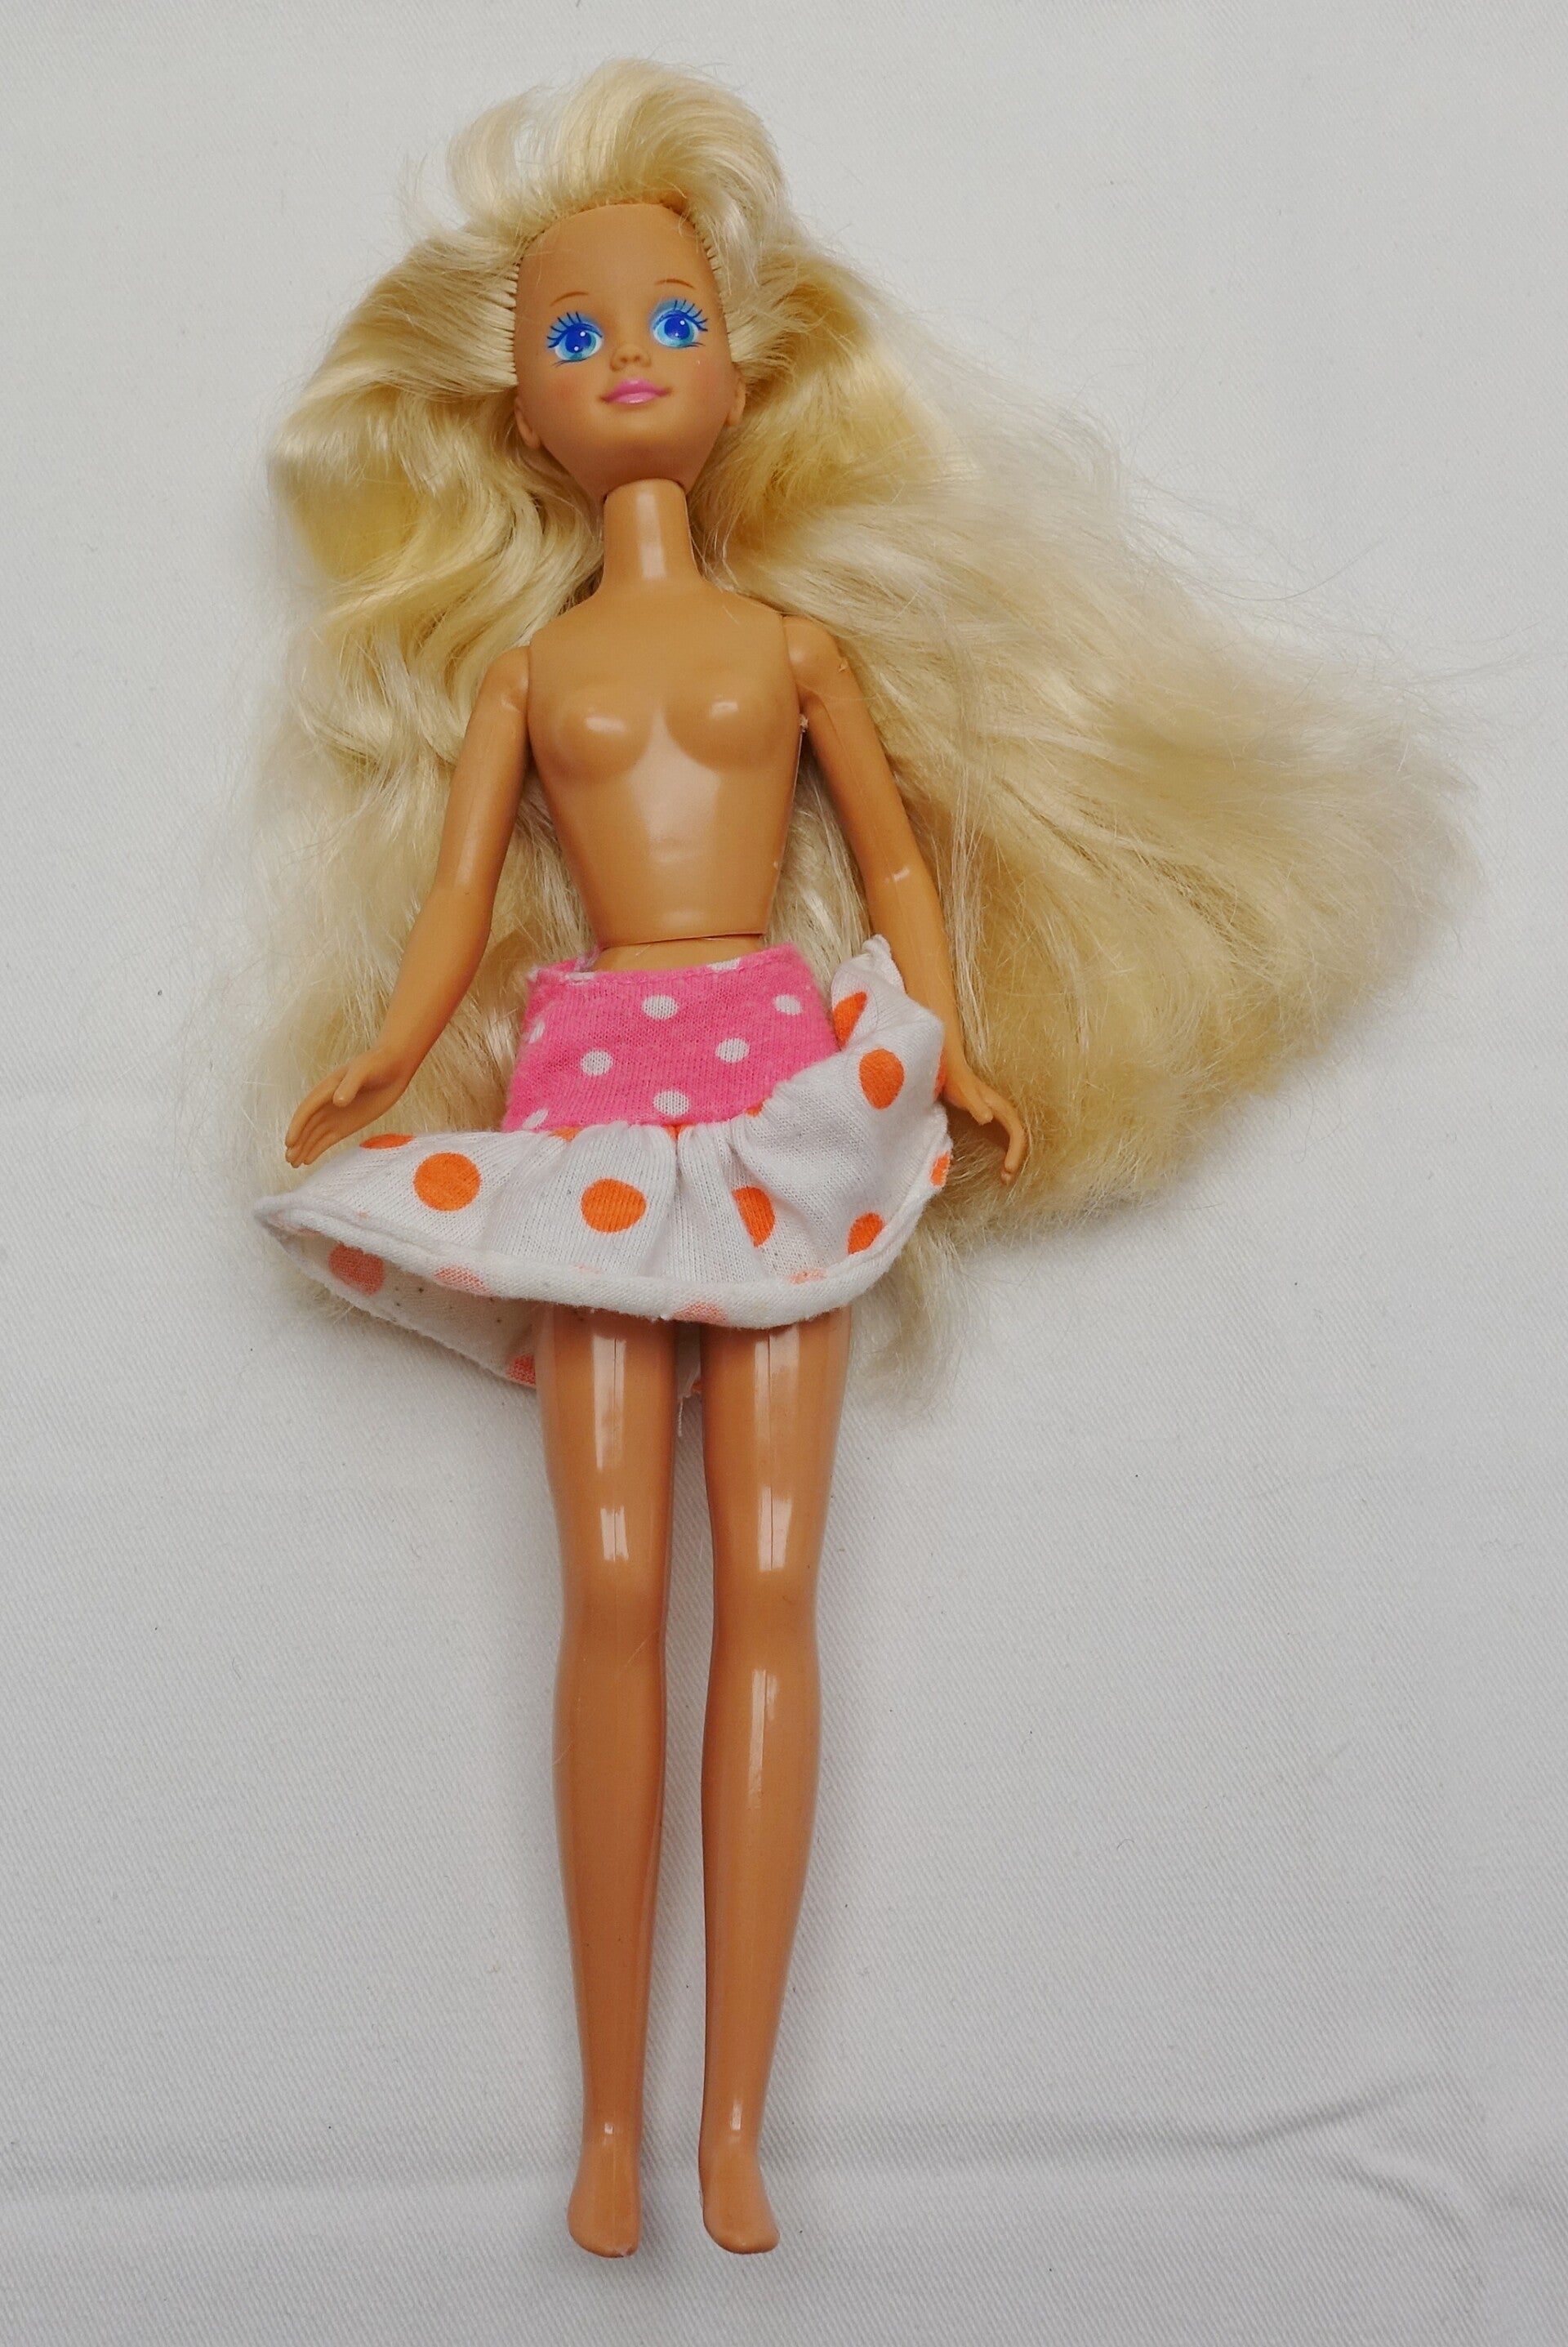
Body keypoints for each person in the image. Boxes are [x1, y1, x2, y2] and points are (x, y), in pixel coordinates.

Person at [250, 58, 1461, 2256]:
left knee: (771, 1587)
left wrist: (954, 1044)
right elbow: (453, 901)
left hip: (785, 1085)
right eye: (578, 334)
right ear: (517, 405)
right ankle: (604, 2121)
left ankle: (729, 2122)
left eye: (671, 321)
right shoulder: (528, 671)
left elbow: (898, 867)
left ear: (745, 366)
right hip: (587, 1092)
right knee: (617, 1589)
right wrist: (389, 1055)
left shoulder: (796, 644)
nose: (631, 360)